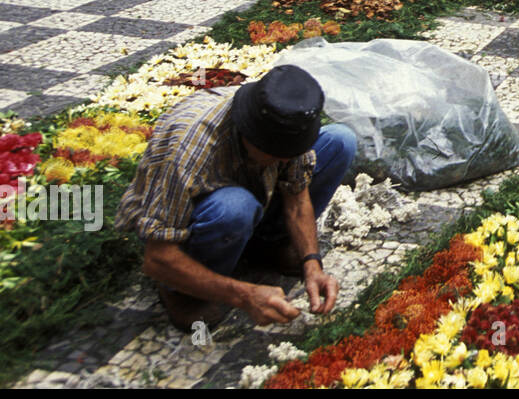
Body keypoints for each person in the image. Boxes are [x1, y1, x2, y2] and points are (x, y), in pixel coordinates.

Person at [115, 66, 357, 330]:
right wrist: (245, 295)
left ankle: (269, 244)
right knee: (235, 207)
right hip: (194, 221)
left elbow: (297, 200)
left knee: (340, 141)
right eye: (276, 154)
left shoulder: (285, 123)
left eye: (289, 154)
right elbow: (157, 258)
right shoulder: (188, 148)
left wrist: (312, 263)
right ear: (248, 133)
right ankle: (182, 290)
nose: (284, 160)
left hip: (253, 196)